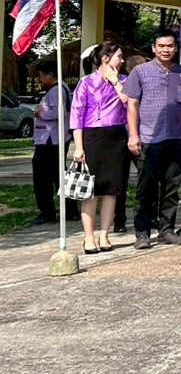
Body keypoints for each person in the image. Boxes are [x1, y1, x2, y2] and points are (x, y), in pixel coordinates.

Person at [123, 30, 181, 249]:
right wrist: (134, 136)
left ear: (175, 48)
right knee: (147, 189)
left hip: (175, 138)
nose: (166, 50)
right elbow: (132, 104)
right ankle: (142, 233)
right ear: (153, 48)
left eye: (170, 46)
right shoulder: (140, 72)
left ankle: (167, 230)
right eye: (161, 46)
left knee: (172, 188)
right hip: (148, 139)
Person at [69, 46, 130, 252]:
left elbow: (129, 103)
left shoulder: (123, 82)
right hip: (92, 137)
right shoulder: (86, 82)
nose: (122, 60)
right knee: (90, 190)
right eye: (119, 57)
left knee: (111, 190)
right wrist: (78, 146)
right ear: (105, 58)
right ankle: (88, 237)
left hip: (116, 137)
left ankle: (105, 235)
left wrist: (114, 82)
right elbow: (76, 115)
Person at [30, 66, 65, 227]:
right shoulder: (60, 89)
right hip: (53, 138)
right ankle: (68, 210)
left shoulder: (56, 90)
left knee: (42, 177)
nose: (39, 80)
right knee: (58, 176)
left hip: (50, 139)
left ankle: (47, 212)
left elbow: (58, 112)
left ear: (51, 74)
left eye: (41, 76)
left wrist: (40, 113)